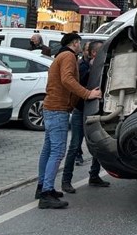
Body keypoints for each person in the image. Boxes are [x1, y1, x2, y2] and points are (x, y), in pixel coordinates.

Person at [37, 32, 101, 209]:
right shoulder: (69, 56)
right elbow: (67, 79)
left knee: (48, 149)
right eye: (80, 43)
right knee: (58, 152)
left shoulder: (60, 56)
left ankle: (42, 186)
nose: (82, 47)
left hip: (51, 106)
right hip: (58, 109)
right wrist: (88, 94)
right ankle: (46, 194)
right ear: (75, 43)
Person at [62, 41, 111, 192]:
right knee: (75, 146)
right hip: (81, 111)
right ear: (95, 53)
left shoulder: (104, 68)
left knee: (99, 144)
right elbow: (76, 87)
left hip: (97, 111)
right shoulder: (82, 67)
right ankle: (66, 180)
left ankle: (94, 175)